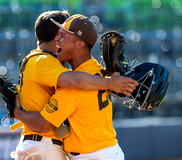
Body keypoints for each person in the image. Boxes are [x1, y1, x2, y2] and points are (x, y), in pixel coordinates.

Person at [14, 14, 138, 160]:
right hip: (109, 151)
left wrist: (16, 112)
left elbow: (42, 124)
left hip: (91, 156)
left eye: (63, 36)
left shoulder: (75, 85)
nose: (57, 39)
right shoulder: (97, 70)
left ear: (79, 44)